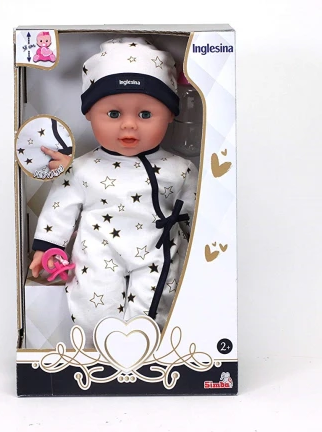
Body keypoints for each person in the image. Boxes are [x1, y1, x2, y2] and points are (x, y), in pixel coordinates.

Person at [29, 37, 198, 345]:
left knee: (154, 309)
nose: (129, 126)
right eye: (114, 114)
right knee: (94, 307)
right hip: (98, 252)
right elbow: (60, 208)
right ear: (89, 114)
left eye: (145, 114)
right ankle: (102, 351)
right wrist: (47, 248)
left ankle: (144, 352)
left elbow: (199, 214)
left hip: (157, 254)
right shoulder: (82, 168)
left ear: (170, 115)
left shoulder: (180, 169)